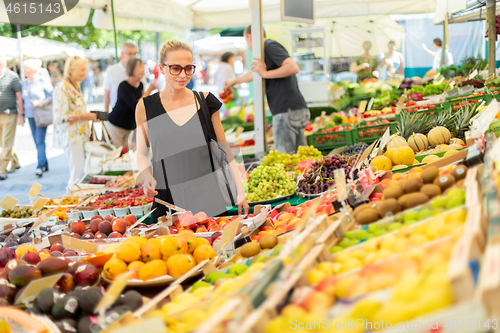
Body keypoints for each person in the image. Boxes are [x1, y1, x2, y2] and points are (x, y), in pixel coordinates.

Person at [136, 41, 249, 223]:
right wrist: (147, 176)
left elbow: (225, 149)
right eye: (175, 68)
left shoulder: (206, 102)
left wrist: (240, 191)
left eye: (188, 68)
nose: (183, 75)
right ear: (161, 68)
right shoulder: (146, 107)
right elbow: (141, 153)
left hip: (207, 199)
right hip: (167, 202)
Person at [225, 26, 309, 154]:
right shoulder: (266, 50)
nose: (248, 46)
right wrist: (234, 82)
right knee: (301, 158)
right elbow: (255, 73)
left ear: (250, 37)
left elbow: (293, 67)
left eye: (246, 41)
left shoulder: (269, 46)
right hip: (293, 108)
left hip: (286, 110)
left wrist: (264, 73)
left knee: (286, 159)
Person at [52, 56, 97, 190]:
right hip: (71, 137)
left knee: (82, 172)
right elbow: (60, 117)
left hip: (80, 135)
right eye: (82, 70)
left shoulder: (75, 85)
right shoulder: (62, 88)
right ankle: (71, 203)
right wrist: (84, 116)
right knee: (77, 173)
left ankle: (77, 201)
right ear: (71, 69)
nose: (85, 73)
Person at [105, 58, 156, 148]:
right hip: (116, 126)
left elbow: (143, 107)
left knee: (126, 155)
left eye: (143, 67)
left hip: (128, 128)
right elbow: (137, 105)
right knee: (117, 155)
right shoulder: (123, 86)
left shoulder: (140, 85)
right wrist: (149, 90)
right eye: (139, 67)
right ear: (131, 69)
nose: (142, 70)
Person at [21, 59, 53, 177]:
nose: (24, 71)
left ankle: (40, 166)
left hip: (41, 115)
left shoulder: (42, 80)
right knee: (36, 141)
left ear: (33, 69)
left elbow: (52, 95)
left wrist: (42, 103)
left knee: (40, 140)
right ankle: (44, 163)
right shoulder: (24, 83)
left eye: (26, 68)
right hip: (30, 115)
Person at [0, 53, 24, 180]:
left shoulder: (12, 77)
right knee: (3, 143)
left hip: (10, 113)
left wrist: (21, 114)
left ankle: (2, 169)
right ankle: (15, 162)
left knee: (7, 142)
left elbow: (20, 97)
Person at [103, 43, 139, 114]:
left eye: (135, 54)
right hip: (117, 116)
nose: (133, 56)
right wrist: (106, 112)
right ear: (122, 54)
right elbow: (106, 93)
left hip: (135, 116)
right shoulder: (112, 70)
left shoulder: (140, 71)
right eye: (130, 54)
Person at [214, 52, 236, 116]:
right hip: (227, 91)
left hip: (220, 90)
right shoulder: (228, 67)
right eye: (232, 58)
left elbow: (215, 78)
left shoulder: (219, 66)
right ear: (229, 59)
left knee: (223, 109)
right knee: (230, 111)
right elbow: (231, 80)